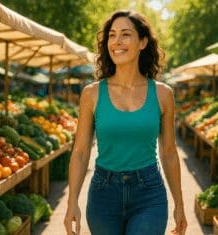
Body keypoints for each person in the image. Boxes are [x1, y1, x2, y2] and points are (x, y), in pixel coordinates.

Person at [64, 10, 187, 235]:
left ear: (143, 42)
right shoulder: (92, 94)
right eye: (111, 35)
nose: (117, 42)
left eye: (125, 34)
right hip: (103, 194)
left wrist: (180, 204)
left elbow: (169, 152)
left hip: (149, 194)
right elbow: (80, 152)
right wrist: (72, 201)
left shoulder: (163, 94)